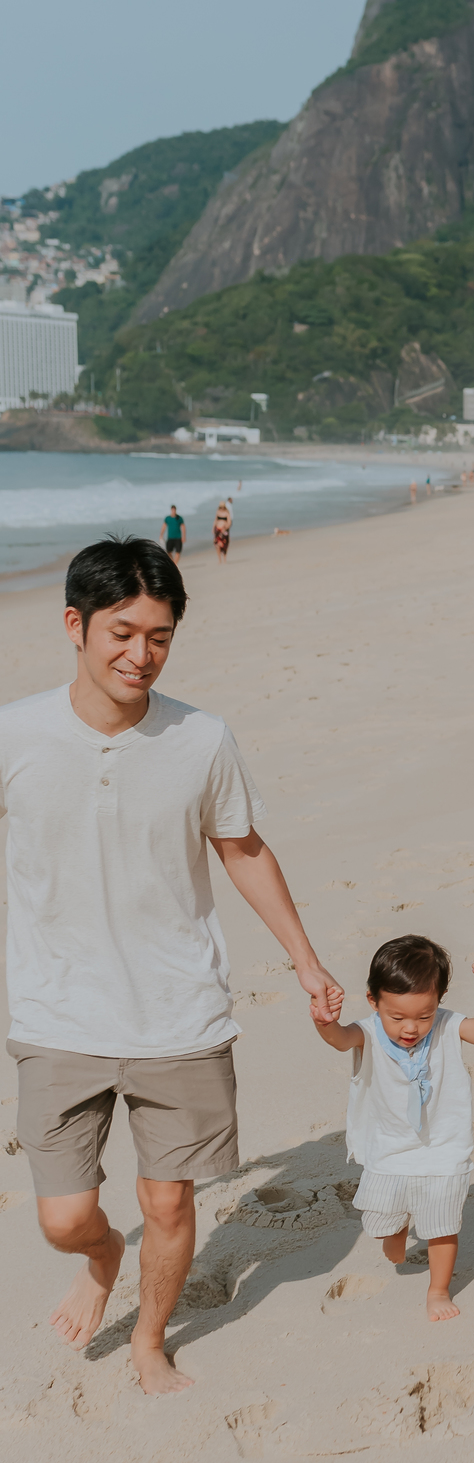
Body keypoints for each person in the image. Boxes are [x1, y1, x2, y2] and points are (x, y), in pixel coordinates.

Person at [0, 538, 343, 1393]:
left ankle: (151, 1339)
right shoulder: (15, 734)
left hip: (177, 1012)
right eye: (121, 633)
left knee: (171, 1202)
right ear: (75, 625)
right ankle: (101, 1257)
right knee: (64, 1216)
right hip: (56, 1014)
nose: (139, 655)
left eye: (158, 636)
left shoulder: (201, 738)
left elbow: (244, 849)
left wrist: (304, 960)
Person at [316, 935, 474, 1321]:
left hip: (442, 1148)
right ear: (374, 1001)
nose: (410, 1028)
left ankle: (438, 1290)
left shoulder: (449, 1026)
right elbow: (339, 1040)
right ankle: (397, 1229)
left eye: (424, 1015)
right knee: (383, 1222)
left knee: (442, 1226)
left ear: (440, 1000)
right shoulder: (367, 1032)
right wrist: (325, 1021)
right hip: (389, 1150)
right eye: (397, 1017)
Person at [212, 499, 232, 564]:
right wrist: (213, 528)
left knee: (224, 545)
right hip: (218, 530)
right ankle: (219, 559)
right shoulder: (218, 512)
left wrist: (225, 528)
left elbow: (229, 522)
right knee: (217, 545)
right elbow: (215, 520)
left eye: (223, 506)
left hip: (224, 530)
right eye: (221, 506)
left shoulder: (227, 512)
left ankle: (224, 558)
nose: (222, 507)